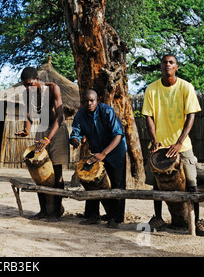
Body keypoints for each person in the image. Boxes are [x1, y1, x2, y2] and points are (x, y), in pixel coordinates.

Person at [142, 54, 204, 237]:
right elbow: (148, 116)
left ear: (177, 67)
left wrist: (179, 143)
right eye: (164, 62)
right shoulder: (152, 89)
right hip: (160, 146)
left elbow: (191, 115)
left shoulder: (186, 87)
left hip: (182, 145)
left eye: (171, 62)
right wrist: (154, 139)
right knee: (156, 184)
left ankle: (197, 221)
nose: (167, 65)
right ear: (161, 67)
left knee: (192, 184)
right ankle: (157, 217)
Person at [15, 66, 69, 222]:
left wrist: (48, 139)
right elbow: (28, 116)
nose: (28, 87)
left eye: (30, 84)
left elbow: (60, 117)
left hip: (57, 130)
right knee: (38, 170)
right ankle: (43, 211)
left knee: (57, 172)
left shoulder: (53, 89)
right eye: (25, 85)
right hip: (42, 128)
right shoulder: (27, 94)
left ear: (37, 80)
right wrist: (26, 130)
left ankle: (56, 212)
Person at [69, 89, 127, 228]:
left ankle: (115, 218)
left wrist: (104, 153)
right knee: (91, 181)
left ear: (97, 100)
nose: (89, 103)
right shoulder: (80, 114)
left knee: (116, 184)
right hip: (97, 152)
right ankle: (92, 215)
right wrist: (76, 140)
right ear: (82, 102)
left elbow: (118, 135)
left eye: (91, 100)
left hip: (115, 151)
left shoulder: (107, 111)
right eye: (85, 101)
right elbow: (75, 132)